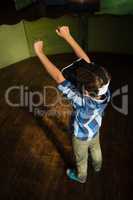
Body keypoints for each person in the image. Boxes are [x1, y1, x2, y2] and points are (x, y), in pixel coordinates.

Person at [34, 26, 111, 183]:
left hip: (81, 137)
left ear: (87, 92)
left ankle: (81, 177)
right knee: (96, 148)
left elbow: (57, 76)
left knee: (80, 159)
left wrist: (39, 53)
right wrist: (68, 36)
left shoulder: (81, 101)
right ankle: (97, 166)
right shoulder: (106, 90)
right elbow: (87, 62)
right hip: (95, 129)